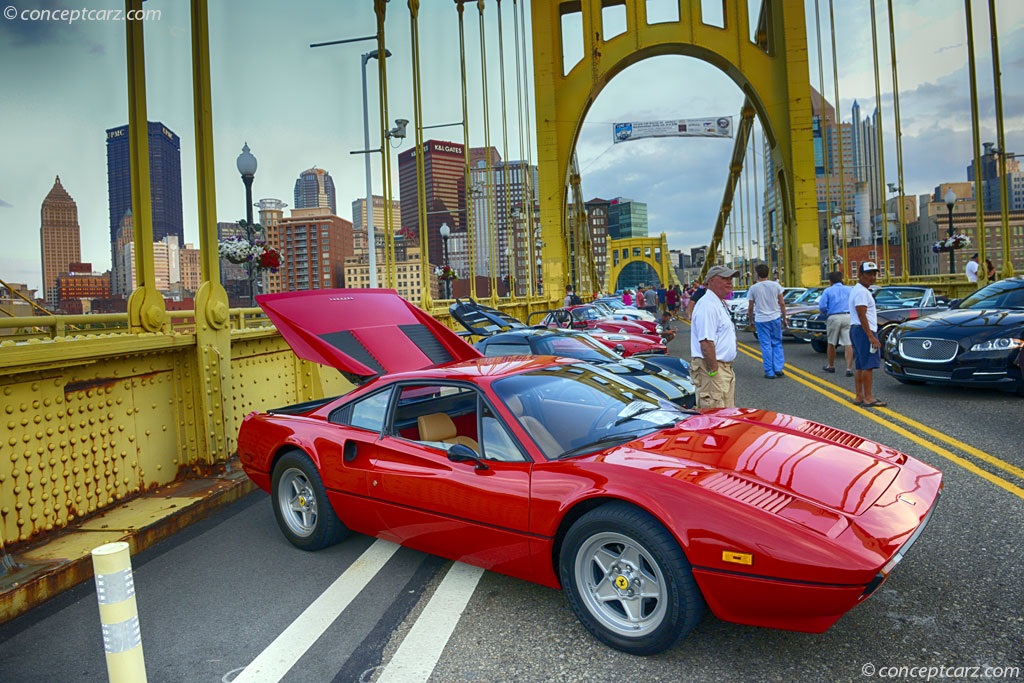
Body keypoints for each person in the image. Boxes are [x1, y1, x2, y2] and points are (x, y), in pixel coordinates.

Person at [690, 266, 740, 408]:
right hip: (712, 368)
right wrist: (713, 372)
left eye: (730, 278)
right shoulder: (707, 305)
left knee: (726, 416)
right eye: (724, 278)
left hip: (724, 368)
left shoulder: (718, 303)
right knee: (714, 417)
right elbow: (706, 342)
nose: (729, 282)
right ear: (711, 281)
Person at [850, 261, 885, 407]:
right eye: (868, 274)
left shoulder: (858, 290)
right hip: (864, 331)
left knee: (860, 364)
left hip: (857, 330)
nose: (872, 277)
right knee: (868, 365)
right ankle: (868, 397)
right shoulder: (862, 292)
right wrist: (871, 336)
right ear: (860, 275)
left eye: (874, 274)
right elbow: (861, 314)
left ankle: (859, 395)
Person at [746, 263, 786, 379]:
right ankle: (778, 368)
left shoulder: (754, 288)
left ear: (757, 274)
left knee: (766, 345)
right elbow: (782, 303)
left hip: (761, 319)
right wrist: (784, 317)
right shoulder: (776, 285)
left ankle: (769, 371)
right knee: (777, 343)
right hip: (775, 317)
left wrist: (750, 319)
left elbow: (750, 306)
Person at [818, 270, 854, 376]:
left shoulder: (828, 291)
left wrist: (825, 313)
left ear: (830, 281)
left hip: (834, 316)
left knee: (831, 342)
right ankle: (849, 368)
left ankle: (831, 365)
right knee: (848, 343)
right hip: (848, 316)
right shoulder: (850, 289)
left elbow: (822, 306)